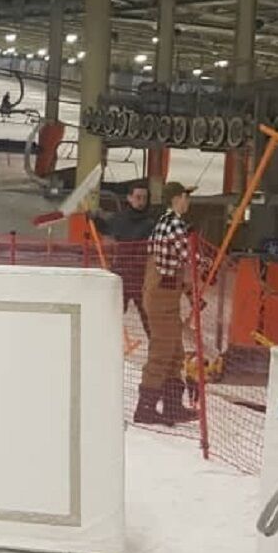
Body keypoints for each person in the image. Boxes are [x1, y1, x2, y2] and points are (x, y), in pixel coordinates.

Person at [136, 181, 203, 426]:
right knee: (163, 351)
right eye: (186, 196)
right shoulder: (173, 223)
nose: (188, 202)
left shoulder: (166, 222)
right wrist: (206, 264)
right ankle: (145, 408)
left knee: (175, 352)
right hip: (162, 295)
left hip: (166, 294)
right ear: (176, 198)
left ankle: (173, 407)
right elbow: (188, 255)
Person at [93, 180, 157, 336]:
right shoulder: (120, 219)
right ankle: (105, 343)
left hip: (141, 276)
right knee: (113, 313)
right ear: (129, 198)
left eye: (144, 197)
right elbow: (106, 227)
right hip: (121, 273)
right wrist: (94, 219)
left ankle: (155, 352)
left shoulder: (151, 222)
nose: (141, 201)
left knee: (148, 317)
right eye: (138, 197)